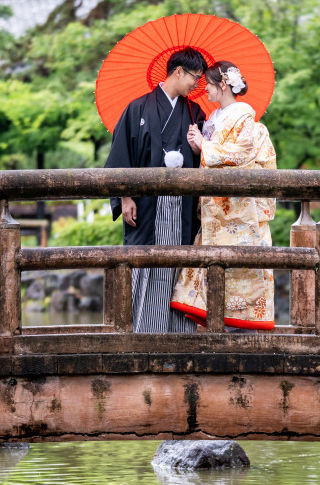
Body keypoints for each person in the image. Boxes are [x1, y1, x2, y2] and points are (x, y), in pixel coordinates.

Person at [104, 46, 208, 332]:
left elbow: (206, 161)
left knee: (180, 266)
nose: (196, 85)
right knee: (144, 266)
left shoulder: (195, 112)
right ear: (178, 72)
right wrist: (125, 196)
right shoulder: (137, 108)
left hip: (183, 209)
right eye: (194, 78)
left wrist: (199, 146)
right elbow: (120, 156)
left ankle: (178, 340)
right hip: (147, 205)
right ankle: (141, 336)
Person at [170, 60, 276, 331]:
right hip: (214, 210)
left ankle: (239, 333)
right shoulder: (214, 118)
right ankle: (214, 332)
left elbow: (241, 156)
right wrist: (198, 148)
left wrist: (205, 145)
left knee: (237, 269)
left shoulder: (243, 116)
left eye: (208, 83)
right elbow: (210, 156)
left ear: (223, 84)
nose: (204, 89)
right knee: (212, 268)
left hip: (236, 210)